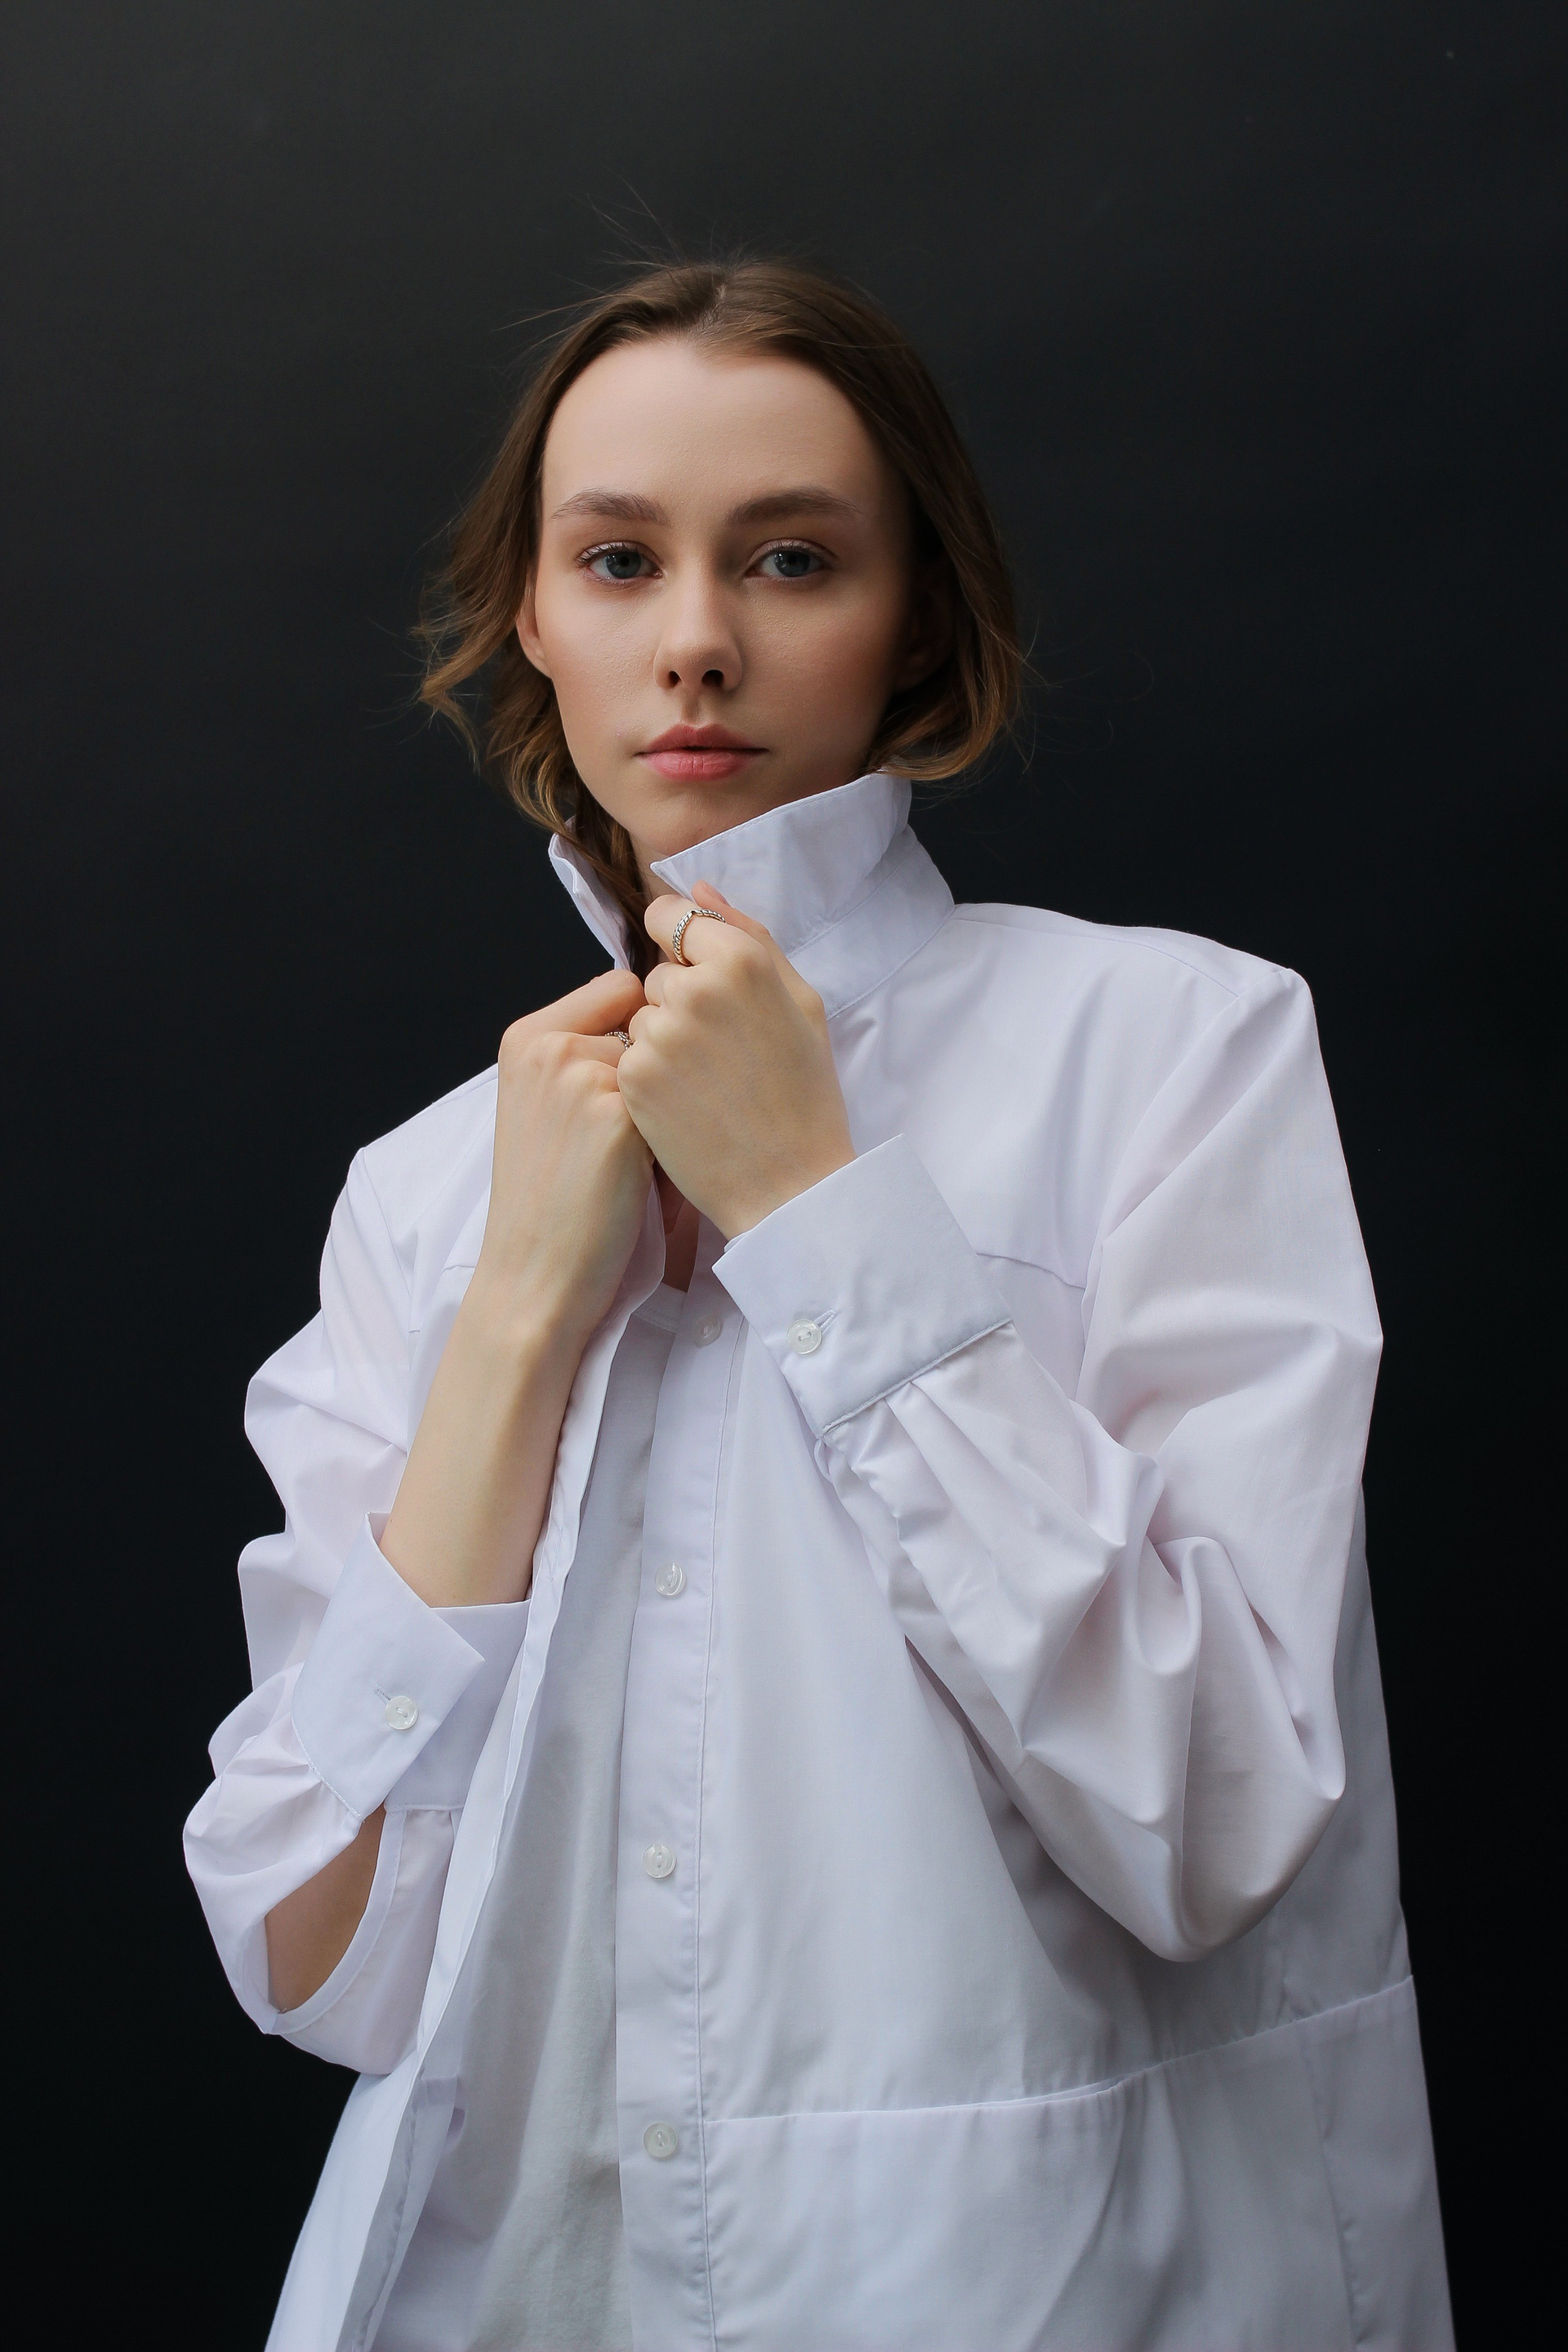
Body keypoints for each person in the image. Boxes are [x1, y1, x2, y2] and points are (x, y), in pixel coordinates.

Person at [185, 260, 1451, 2352]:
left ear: (918, 614)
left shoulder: (1178, 1054)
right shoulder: (424, 1194)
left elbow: (1221, 1815)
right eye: (618, 559)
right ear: (533, 618)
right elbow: (313, 1958)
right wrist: (515, 1320)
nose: (696, 639)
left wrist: (815, 1205)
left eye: (790, 557)